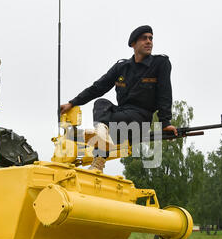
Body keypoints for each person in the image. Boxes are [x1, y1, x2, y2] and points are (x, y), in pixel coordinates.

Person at [60, 25, 178, 171]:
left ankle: (100, 142)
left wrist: (165, 123)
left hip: (140, 119)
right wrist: (72, 103)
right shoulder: (122, 67)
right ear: (133, 44)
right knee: (101, 103)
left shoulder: (160, 64)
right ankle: (101, 142)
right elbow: (98, 87)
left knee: (106, 127)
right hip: (121, 114)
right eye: (144, 38)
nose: (149, 42)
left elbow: (165, 94)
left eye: (151, 38)